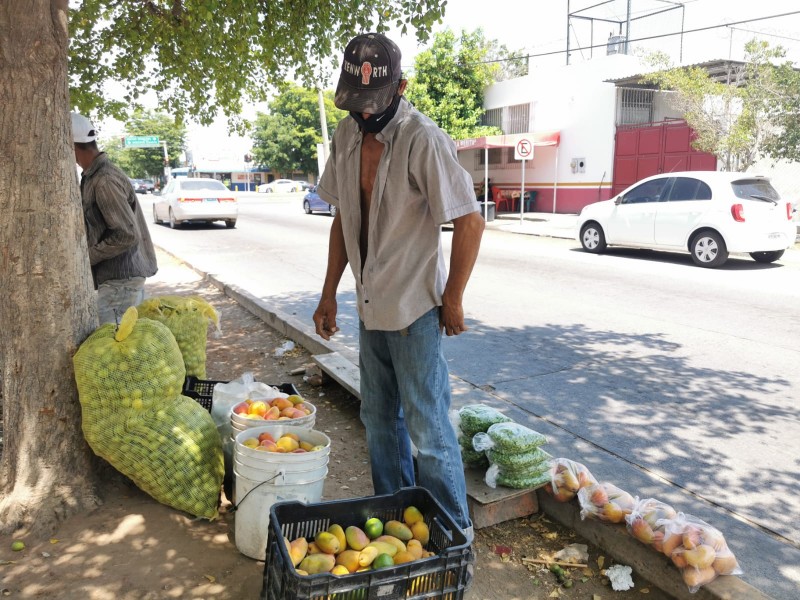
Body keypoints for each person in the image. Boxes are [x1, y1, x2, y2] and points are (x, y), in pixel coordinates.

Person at [312, 33, 484, 538]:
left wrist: (452, 298)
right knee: (380, 422)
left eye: (372, 106)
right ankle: (397, 519)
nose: (363, 117)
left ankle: (455, 536)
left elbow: (469, 222)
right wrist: (328, 294)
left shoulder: (422, 138)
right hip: (369, 309)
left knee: (429, 431)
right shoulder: (345, 136)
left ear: (401, 87)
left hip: (413, 313)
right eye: (354, 105)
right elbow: (342, 217)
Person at [71, 112, 158, 325]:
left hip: (121, 281)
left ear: (71, 146)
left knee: (114, 352)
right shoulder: (93, 176)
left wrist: (86, 257)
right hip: (118, 281)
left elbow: (126, 234)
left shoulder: (104, 180)